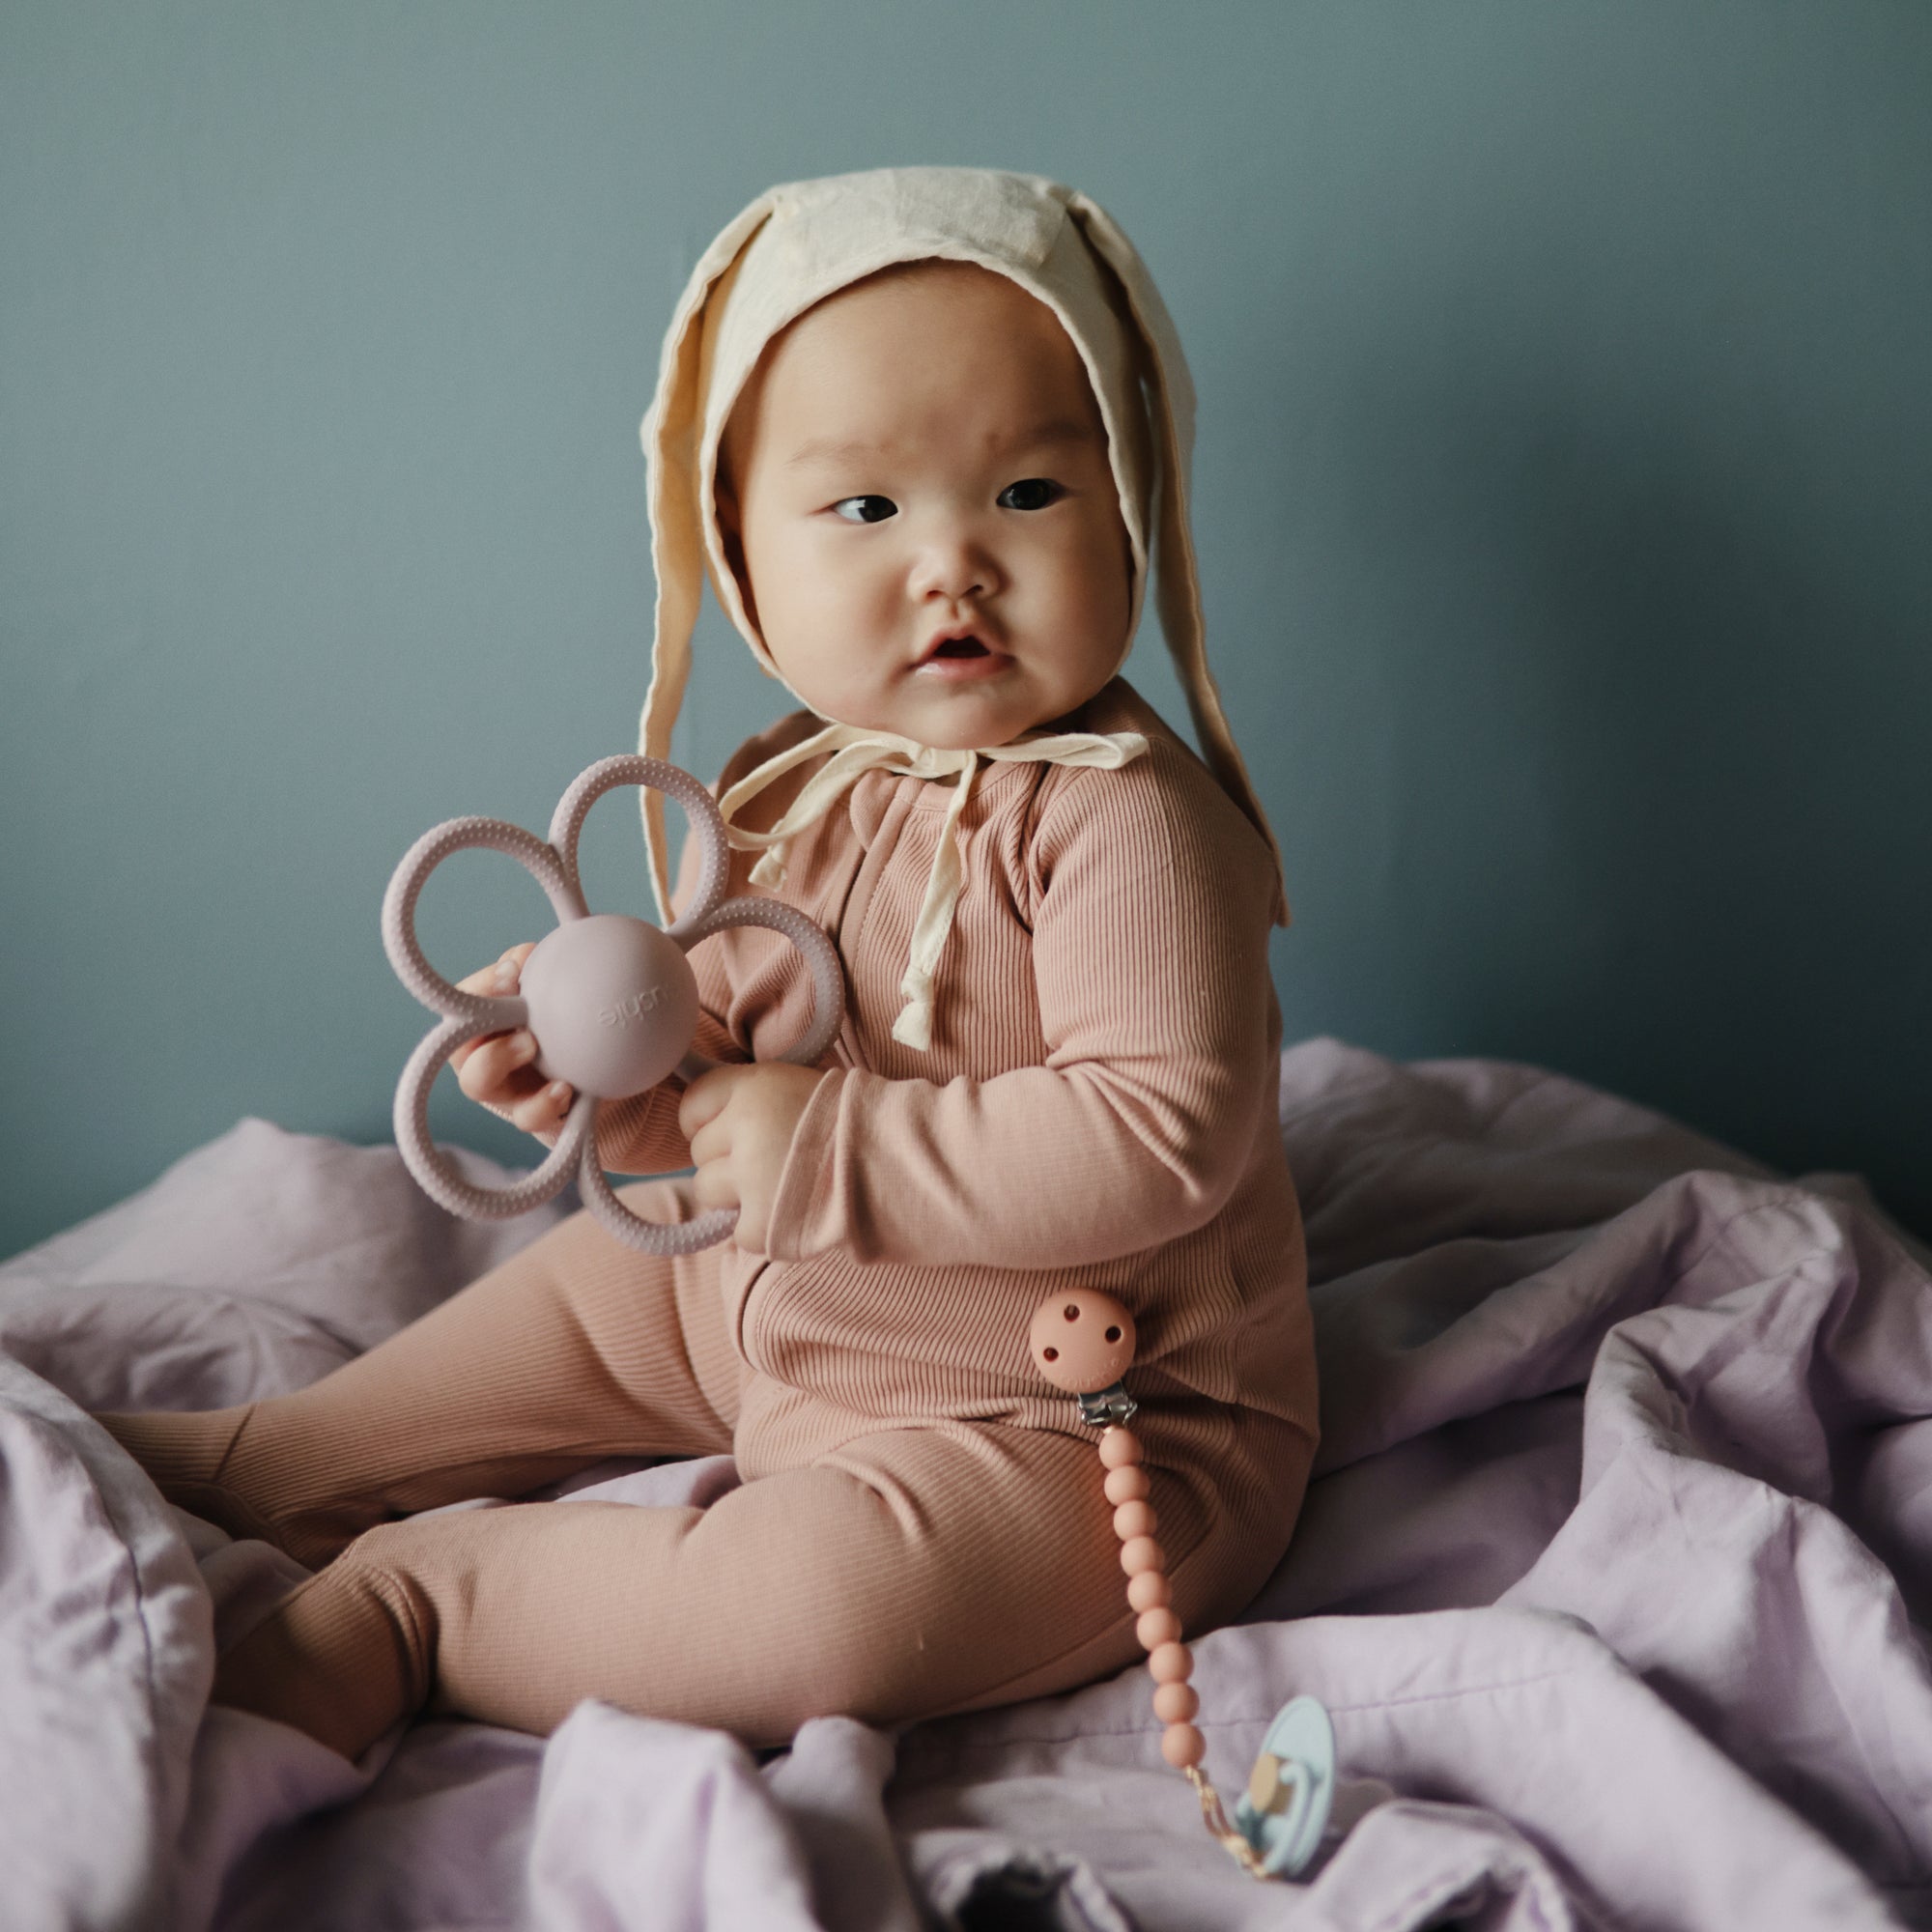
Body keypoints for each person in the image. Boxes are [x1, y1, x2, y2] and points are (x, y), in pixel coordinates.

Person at [96, 165, 1318, 1764]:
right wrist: (621, 1083)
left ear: (1133, 506)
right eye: (867, 508)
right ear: (736, 552)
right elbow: (734, 1093)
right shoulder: (780, 786)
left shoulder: (1122, 821)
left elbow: (1165, 1130)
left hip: (1063, 1419)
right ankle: (281, 1461)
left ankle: (423, 1604)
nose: (951, 561)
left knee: (838, 1610)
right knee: (620, 1275)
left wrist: (824, 1146)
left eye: (1029, 492)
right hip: (778, 1301)